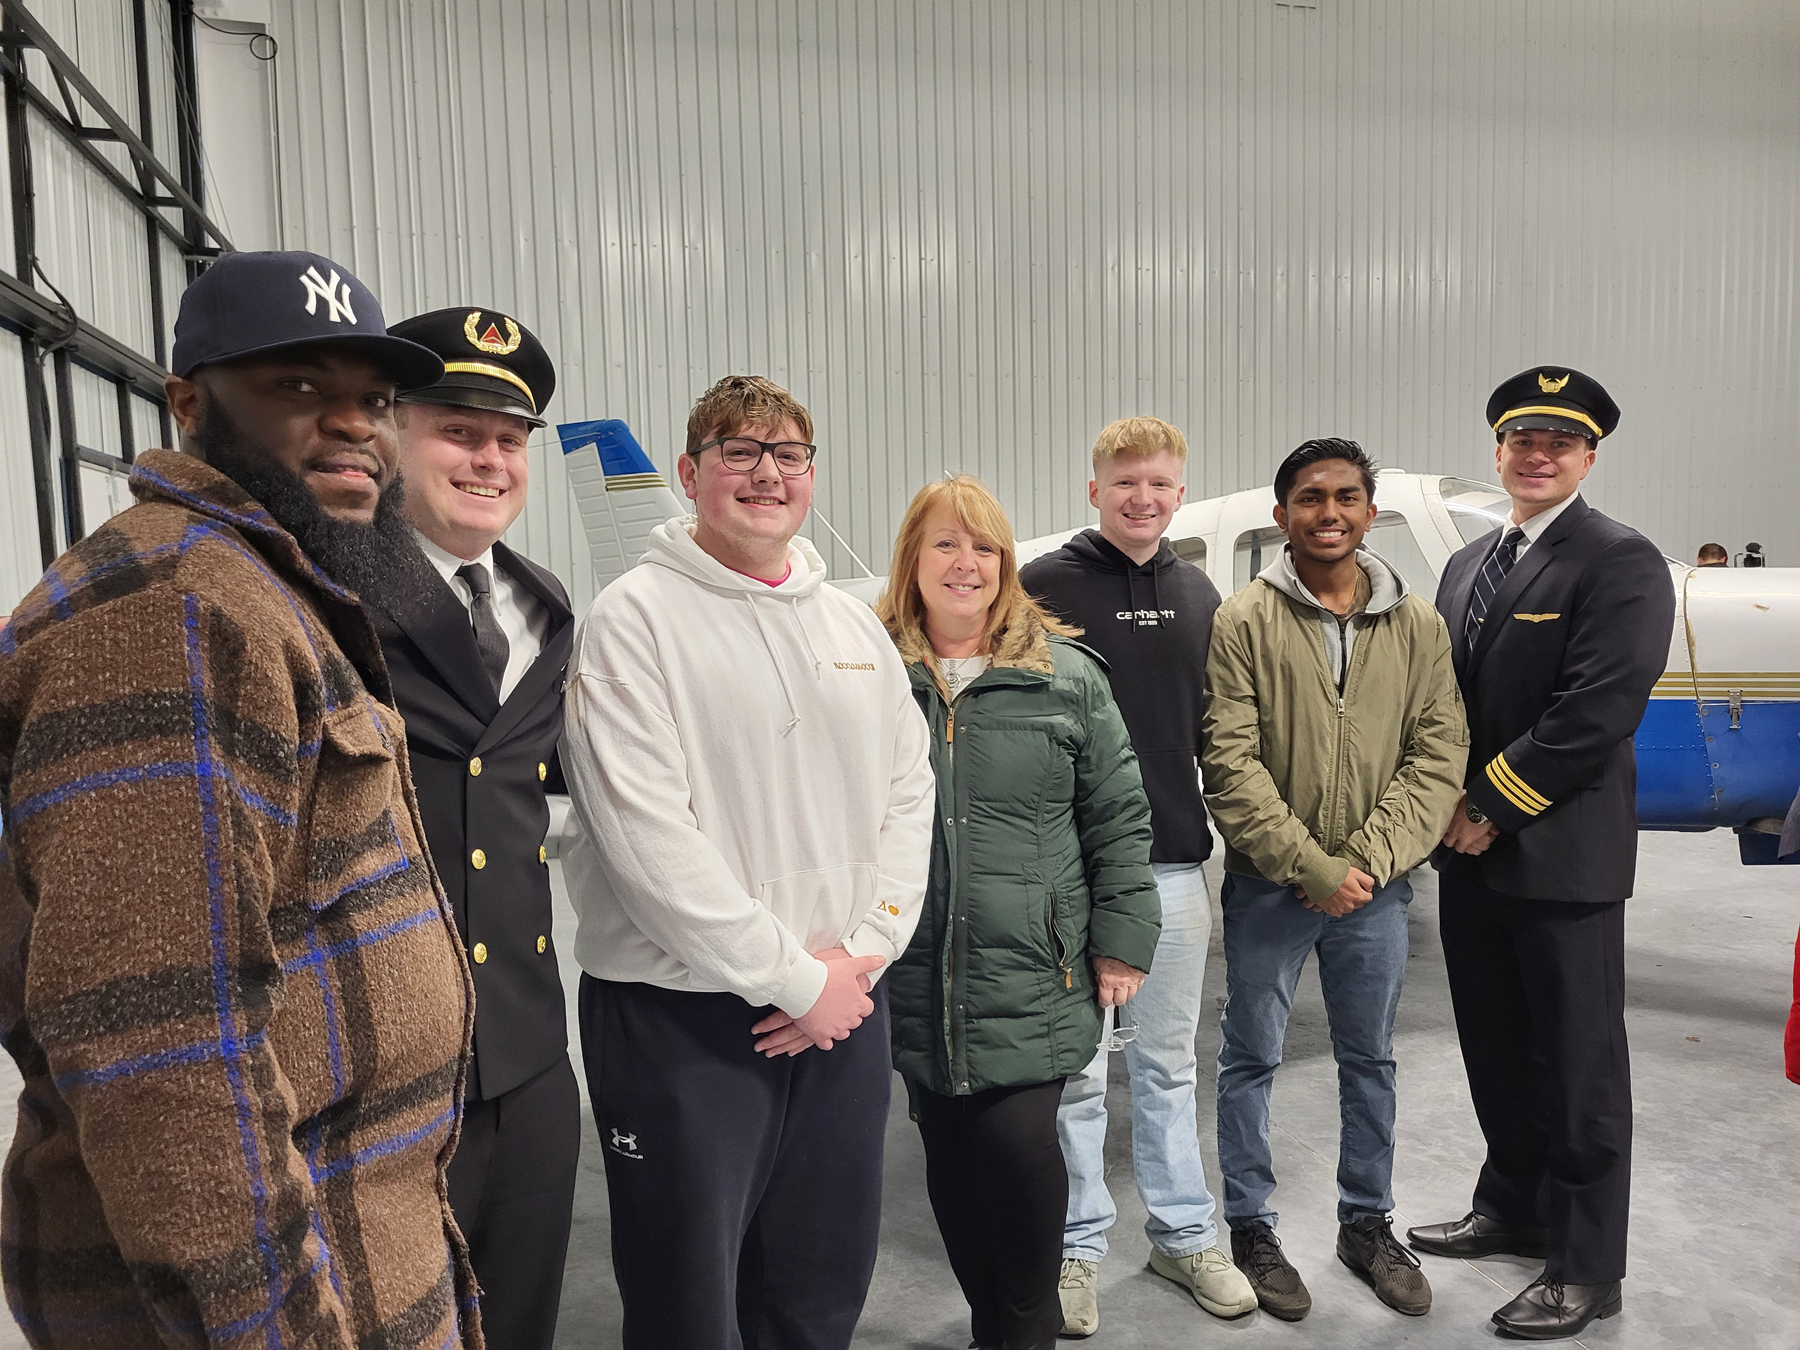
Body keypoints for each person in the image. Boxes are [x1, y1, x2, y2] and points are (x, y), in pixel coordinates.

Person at [0, 251, 482, 1346]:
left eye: (372, 398)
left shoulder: (263, 584)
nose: (352, 423)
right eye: (298, 388)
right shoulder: (172, 616)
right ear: (187, 403)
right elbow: (161, 1051)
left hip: (359, 1241)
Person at [559, 375, 936, 1349]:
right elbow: (648, 845)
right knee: (688, 1306)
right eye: (740, 452)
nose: (767, 473)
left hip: (844, 1008)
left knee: (819, 1292)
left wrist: (863, 957)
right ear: (691, 474)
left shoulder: (854, 627)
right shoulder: (630, 621)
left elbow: (908, 795)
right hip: (682, 1024)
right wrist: (793, 977)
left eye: (789, 456)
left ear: (812, 476)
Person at [1409, 368, 1675, 1340]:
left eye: (1560, 442)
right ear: (1498, 449)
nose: (1538, 454)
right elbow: (1444, 702)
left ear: (1589, 457)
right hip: (1468, 854)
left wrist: (1489, 804)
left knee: (1578, 1067)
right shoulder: (1469, 564)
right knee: (1497, 1053)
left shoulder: (1620, 560)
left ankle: (1586, 1264)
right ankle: (1513, 1208)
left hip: (1559, 860)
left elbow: (1597, 711)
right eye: (1523, 438)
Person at [879, 475, 1163, 1350]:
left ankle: (1027, 1330)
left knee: (1018, 1152)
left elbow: (1118, 816)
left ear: (1007, 566)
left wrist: (1122, 941)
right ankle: (989, 1326)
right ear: (912, 562)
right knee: (951, 1161)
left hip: (1034, 967)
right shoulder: (870, 672)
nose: (967, 564)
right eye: (945, 544)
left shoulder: (1066, 678)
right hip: (916, 968)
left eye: (986, 547)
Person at [1203, 439, 1467, 1323]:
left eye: (1347, 497)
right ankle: (1250, 1227)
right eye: (1310, 498)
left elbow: (1439, 755)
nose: (1329, 513)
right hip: (1269, 888)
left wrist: (1365, 865)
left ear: (1369, 510)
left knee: (1371, 1059)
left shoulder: (1418, 625)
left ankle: (1366, 1224)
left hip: (1375, 894)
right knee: (1250, 1058)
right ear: (1283, 516)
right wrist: (1308, 866)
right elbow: (1229, 760)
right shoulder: (1243, 619)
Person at [369, 307, 577, 1349]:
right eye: (459, 429)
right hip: (386, 1056)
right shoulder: (328, 591)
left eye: (510, 439)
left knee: (521, 1318)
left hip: (530, 1048)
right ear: (391, 433)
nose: (489, 458)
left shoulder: (546, 607)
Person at [1019, 417, 1254, 1333]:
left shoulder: (1200, 592)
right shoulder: (1043, 587)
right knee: (1076, 1072)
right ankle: (1075, 1247)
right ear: (1095, 490)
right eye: (1126, 484)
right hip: (1068, 874)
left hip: (1173, 869)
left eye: (1160, 484)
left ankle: (1184, 1234)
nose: (1143, 499)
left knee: (1165, 1064)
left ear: (1180, 492)